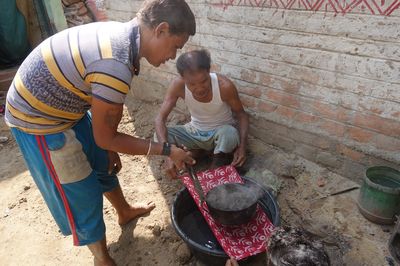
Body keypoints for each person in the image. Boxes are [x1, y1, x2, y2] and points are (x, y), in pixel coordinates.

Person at [5, 0, 196, 265]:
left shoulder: (123, 40)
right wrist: (166, 150)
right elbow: (105, 135)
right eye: (176, 46)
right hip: (39, 119)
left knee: (103, 163)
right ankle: (102, 258)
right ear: (161, 30)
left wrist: (108, 147)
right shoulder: (115, 63)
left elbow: (109, 121)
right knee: (81, 190)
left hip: (67, 105)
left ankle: (124, 211)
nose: (173, 57)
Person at [155, 49, 249, 178]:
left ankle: (213, 169)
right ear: (182, 77)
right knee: (159, 135)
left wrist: (242, 146)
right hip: (195, 132)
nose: (199, 88)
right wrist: (168, 152)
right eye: (192, 84)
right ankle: (197, 152)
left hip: (220, 135)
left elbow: (241, 114)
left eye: (204, 81)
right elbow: (160, 119)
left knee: (230, 134)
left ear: (208, 71)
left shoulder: (224, 86)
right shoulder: (178, 85)